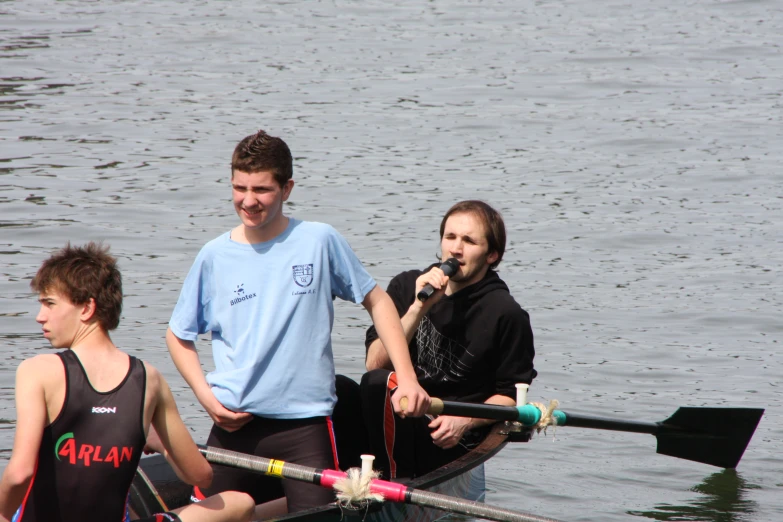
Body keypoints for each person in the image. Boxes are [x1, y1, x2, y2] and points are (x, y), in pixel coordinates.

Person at [166, 129, 430, 515]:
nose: (248, 200)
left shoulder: (318, 240)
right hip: (233, 425)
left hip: (304, 427)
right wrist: (208, 400)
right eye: (239, 188)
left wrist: (407, 377)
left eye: (262, 189)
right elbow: (177, 335)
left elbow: (378, 301)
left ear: (287, 188)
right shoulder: (213, 256)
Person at [0, 242, 254, 522]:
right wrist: (159, 444)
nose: (40, 316)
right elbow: (200, 476)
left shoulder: (38, 370)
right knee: (239, 503)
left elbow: (20, 473)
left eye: (49, 303)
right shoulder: (150, 380)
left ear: (87, 308)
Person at [362, 200, 537, 479]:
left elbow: (511, 397)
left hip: (450, 436)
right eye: (450, 237)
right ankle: (352, 480)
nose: (456, 249)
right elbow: (375, 363)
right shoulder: (407, 286)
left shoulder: (506, 313)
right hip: (400, 417)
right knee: (345, 389)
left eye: (469, 241)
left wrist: (464, 420)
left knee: (377, 384)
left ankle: (392, 485)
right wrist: (419, 308)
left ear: (491, 255)